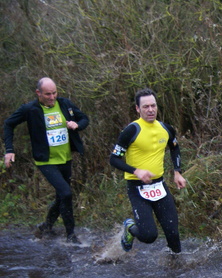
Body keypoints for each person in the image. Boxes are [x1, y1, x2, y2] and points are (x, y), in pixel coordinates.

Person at [3, 77, 89, 244]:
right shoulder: (30, 109)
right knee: (66, 193)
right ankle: (71, 236)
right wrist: (9, 150)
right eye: (47, 94)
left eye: (54, 93)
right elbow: (8, 124)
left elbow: (84, 118)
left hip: (65, 159)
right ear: (38, 93)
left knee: (61, 197)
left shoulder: (64, 104)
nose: (52, 97)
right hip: (46, 161)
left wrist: (77, 125)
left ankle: (46, 226)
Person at [109, 88, 186, 254]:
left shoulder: (166, 128)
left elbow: (175, 148)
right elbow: (113, 159)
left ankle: (176, 268)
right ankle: (130, 228)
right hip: (137, 188)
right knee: (149, 235)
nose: (151, 110)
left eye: (153, 105)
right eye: (145, 107)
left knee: (173, 234)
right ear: (138, 109)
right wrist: (135, 171)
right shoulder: (131, 131)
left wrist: (177, 171)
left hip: (159, 186)